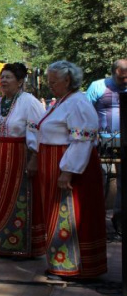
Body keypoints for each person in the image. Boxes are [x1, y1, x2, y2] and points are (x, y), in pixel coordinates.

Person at [36, 61, 107, 279]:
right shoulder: (63, 102)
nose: (50, 85)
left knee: (69, 213)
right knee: (58, 214)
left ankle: (74, 266)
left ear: (67, 80)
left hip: (70, 167)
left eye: (53, 81)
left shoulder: (78, 103)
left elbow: (82, 140)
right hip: (55, 163)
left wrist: (68, 171)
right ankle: (62, 263)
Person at [0, 63, 45, 258]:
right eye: (2, 77)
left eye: (8, 77)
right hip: (1, 157)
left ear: (20, 81)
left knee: (20, 198)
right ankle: (2, 242)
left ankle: (22, 245)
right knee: (0, 199)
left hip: (20, 156)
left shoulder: (29, 102)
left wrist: (34, 157)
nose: (3, 81)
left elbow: (37, 131)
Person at [86, 59, 127, 235]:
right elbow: (85, 111)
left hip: (125, 140)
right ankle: (96, 219)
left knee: (123, 181)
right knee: (102, 179)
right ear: (113, 73)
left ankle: (119, 219)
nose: (125, 82)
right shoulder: (98, 86)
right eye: (121, 78)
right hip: (106, 139)